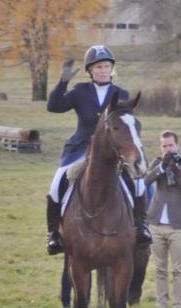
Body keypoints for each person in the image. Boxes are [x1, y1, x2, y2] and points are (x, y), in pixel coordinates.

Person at [45, 45, 151, 254]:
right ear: (90, 71)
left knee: (137, 182)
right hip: (80, 148)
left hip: (111, 150)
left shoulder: (121, 93)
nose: (103, 70)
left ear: (112, 68)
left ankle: (141, 225)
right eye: (98, 67)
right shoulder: (79, 91)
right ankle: (53, 234)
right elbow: (54, 106)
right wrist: (63, 82)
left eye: (106, 66)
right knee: (57, 183)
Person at [144, 130, 181, 308]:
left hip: (179, 225)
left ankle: (178, 307)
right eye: (164, 146)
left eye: (170, 145)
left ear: (177, 145)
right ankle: (161, 306)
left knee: (179, 268)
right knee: (160, 268)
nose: (168, 149)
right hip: (156, 223)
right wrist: (162, 166)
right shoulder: (157, 163)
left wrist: (179, 173)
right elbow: (145, 180)